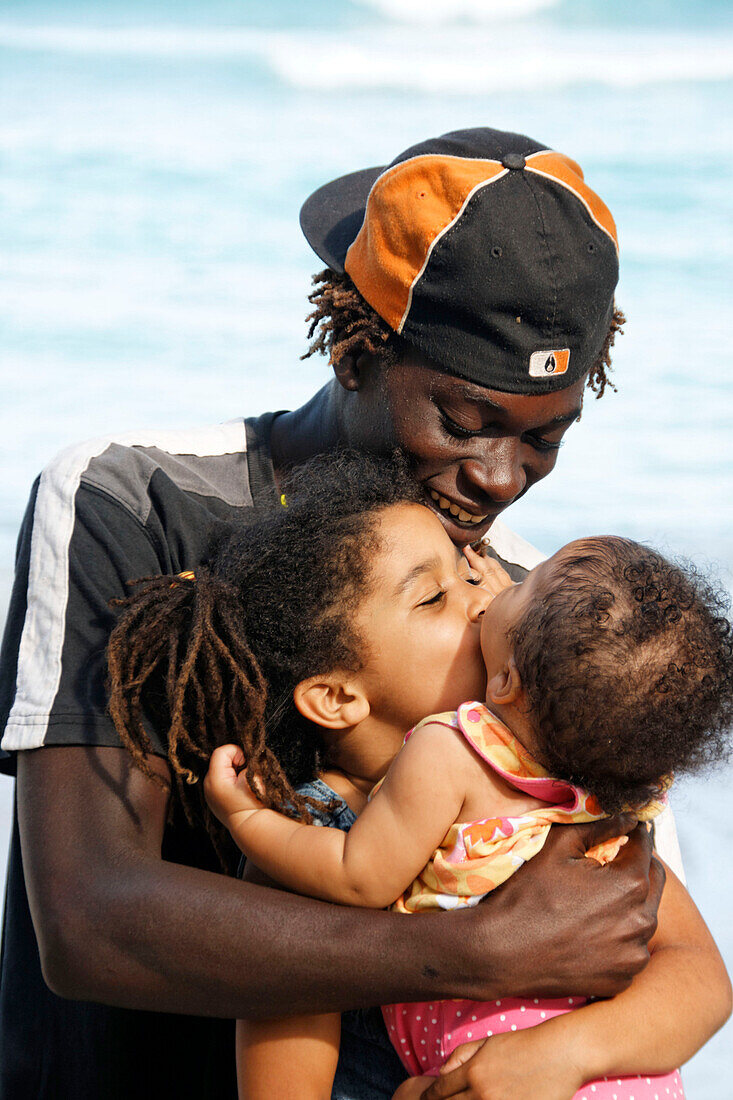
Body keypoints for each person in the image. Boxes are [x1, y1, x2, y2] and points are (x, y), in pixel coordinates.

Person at [0, 126, 669, 1100]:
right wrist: (467, 950)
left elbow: (624, 928)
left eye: (545, 439)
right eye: (463, 421)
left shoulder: (522, 606)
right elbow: (91, 917)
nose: (497, 480)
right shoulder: (134, 502)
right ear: (356, 345)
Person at [105, 452, 732, 1100]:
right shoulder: (306, 857)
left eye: (470, 576)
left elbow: (701, 981)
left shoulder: (567, 799)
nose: (478, 603)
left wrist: (558, 1055)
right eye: (435, 596)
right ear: (337, 696)